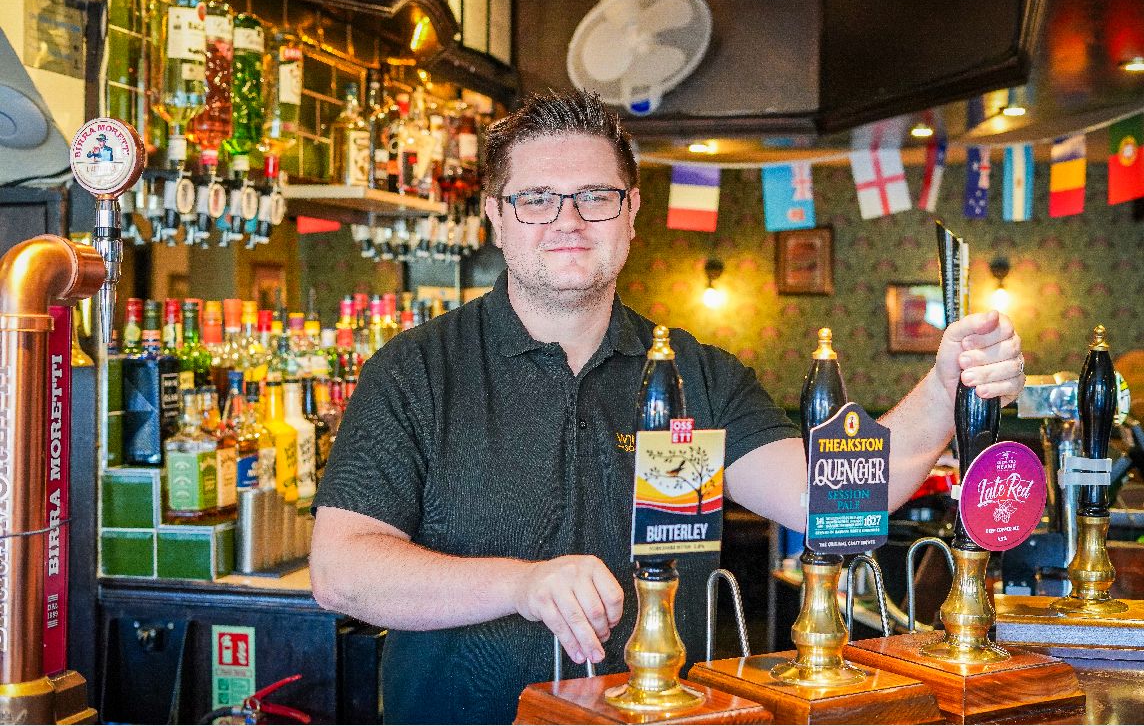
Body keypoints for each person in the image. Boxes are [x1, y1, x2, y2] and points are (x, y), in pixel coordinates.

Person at [310, 90, 1026, 724]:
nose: (568, 219)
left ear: (631, 214)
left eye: (596, 196)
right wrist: (523, 583)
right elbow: (342, 570)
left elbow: (829, 502)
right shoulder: (412, 371)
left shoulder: (698, 373)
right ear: (496, 216)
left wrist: (942, 386)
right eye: (536, 198)